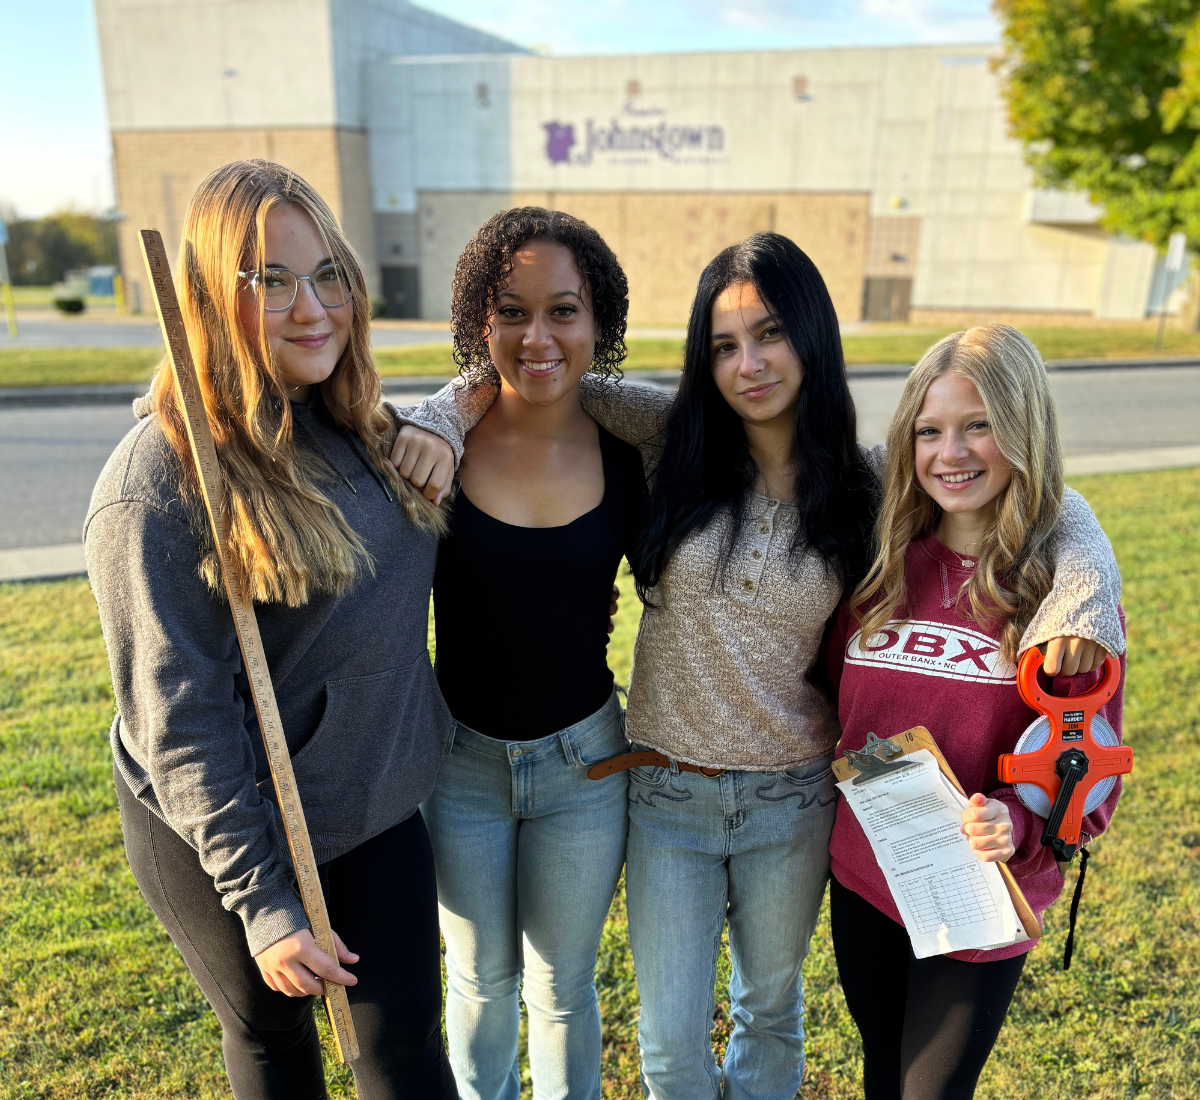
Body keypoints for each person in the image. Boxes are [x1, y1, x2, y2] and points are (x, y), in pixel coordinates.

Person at [396, 232, 1123, 1100]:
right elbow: (537, 370)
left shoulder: (866, 482)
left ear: (811, 335)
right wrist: (437, 416)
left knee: (768, 1014)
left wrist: (1084, 595)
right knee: (668, 1048)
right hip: (667, 791)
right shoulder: (670, 439)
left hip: (794, 798)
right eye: (724, 343)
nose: (749, 363)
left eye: (771, 333)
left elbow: (1045, 491)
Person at [85, 159, 457, 1100]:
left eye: (328, 273)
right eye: (271, 280)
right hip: (230, 828)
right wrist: (267, 907)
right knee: (277, 1044)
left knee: (407, 1054)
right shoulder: (158, 485)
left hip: (370, 804)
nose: (312, 306)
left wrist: (446, 426)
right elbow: (184, 722)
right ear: (211, 296)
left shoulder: (356, 427)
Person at [823, 324, 1126, 1100]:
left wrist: (1016, 823)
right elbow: (836, 709)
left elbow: (1086, 778)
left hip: (980, 896)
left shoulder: (1064, 598)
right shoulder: (881, 568)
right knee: (882, 1074)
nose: (949, 453)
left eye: (978, 425)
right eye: (929, 431)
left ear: (1021, 430)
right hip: (867, 877)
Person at [393, 207, 647, 1100]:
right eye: (511, 310)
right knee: (478, 981)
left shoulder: (633, 458)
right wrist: (438, 411)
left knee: (563, 988)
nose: (536, 336)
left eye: (563, 310)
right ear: (479, 323)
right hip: (457, 763)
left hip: (585, 766)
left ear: (598, 323)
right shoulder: (433, 451)